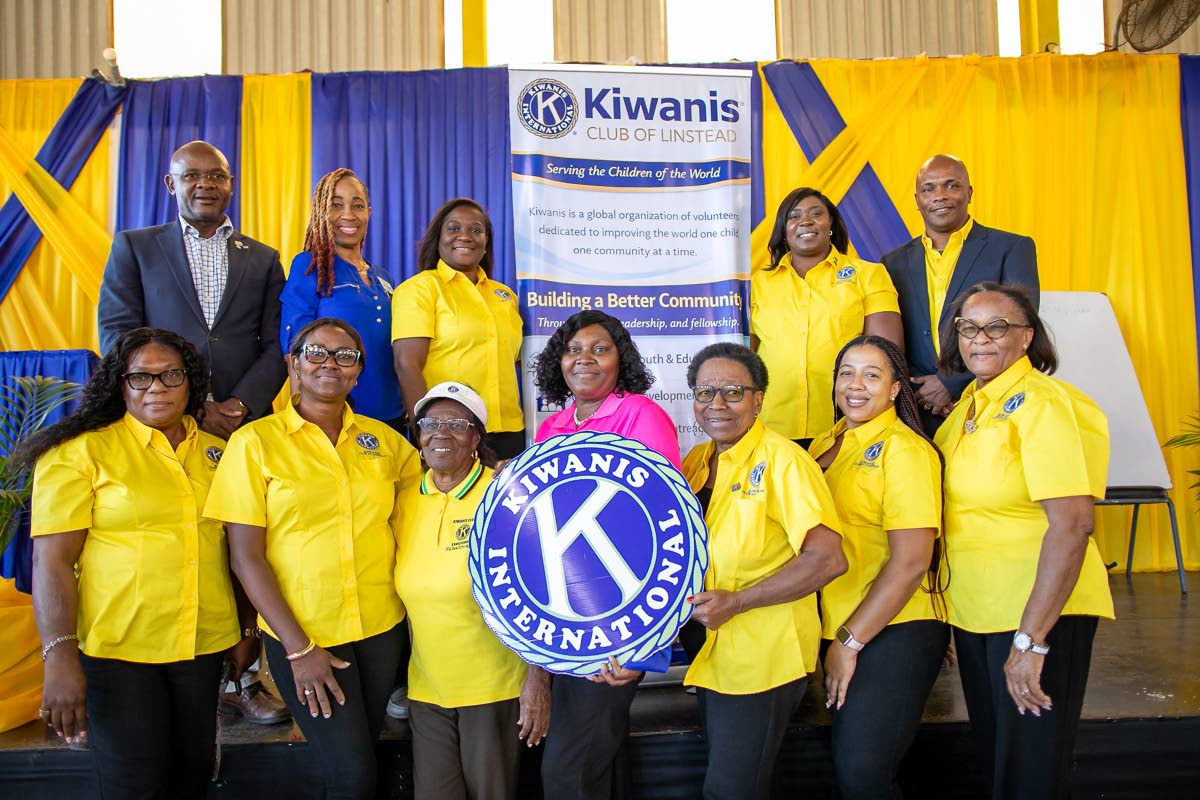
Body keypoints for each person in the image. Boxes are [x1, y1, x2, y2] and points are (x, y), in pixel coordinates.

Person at [22, 328, 251, 798]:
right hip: (121, 651)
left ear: (191, 382)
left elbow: (239, 553)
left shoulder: (219, 453)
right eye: (141, 378)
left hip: (201, 646)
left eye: (170, 375)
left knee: (191, 781)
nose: (157, 388)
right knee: (137, 788)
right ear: (120, 385)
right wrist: (59, 658)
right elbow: (52, 562)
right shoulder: (80, 453)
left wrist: (245, 630)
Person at [203, 318, 422, 799]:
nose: (330, 364)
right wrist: (300, 651)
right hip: (306, 638)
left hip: (381, 629)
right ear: (293, 365)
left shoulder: (384, 443)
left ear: (359, 372)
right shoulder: (254, 443)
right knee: (352, 776)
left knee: (362, 757)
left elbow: (434, 499)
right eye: (316, 353)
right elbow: (246, 559)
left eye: (345, 356)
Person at [933, 282, 1112, 799]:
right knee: (1000, 765)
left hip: (1037, 614)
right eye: (969, 327)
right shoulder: (970, 403)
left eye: (997, 327)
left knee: (1030, 774)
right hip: (979, 612)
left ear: (1027, 336)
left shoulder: (1045, 403)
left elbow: (1073, 524)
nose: (980, 339)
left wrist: (1032, 640)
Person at [681, 342, 847, 800]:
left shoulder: (784, 461)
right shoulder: (697, 461)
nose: (717, 404)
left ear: (759, 399)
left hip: (762, 656)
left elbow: (828, 558)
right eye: (705, 391)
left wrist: (738, 601)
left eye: (733, 391)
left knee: (731, 789)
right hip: (710, 650)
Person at [530, 309, 681, 799]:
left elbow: (665, 528)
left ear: (621, 360)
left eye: (600, 349)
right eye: (574, 350)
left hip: (620, 622)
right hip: (566, 616)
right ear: (559, 361)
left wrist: (641, 644)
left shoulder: (642, 415)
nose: (584, 359)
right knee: (602, 758)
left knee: (568, 772)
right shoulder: (550, 427)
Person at [807, 335, 948, 799]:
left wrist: (849, 642)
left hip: (890, 630)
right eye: (846, 372)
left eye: (872, 375)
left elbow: (911, 562)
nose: (856, 384)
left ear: (895, 389)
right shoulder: (829, 440)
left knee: (863, 773)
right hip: (839, 622)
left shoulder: (906, 451)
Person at [395, 382, 551, 800]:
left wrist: (538, 681)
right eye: (430, 422)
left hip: (495, 688)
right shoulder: (403, 498)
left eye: (456, 424)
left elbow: (544, 590)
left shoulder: (507, 495)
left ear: (475, 437)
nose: (440, 433)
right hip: (427, 687)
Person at [97, 140, 286, 441]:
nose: (205, 184)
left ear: (231, 184)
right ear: (171, 184)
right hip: (160, 418)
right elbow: (117, 334)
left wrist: (241, 404)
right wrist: (190, 405)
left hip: (244, 425)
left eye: (216, 176)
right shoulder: (135, 248)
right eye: (191, 175)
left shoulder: (264, 258)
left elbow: (279, 344)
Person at [882, 154, 1040, 435]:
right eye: (929, 188)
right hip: (918, 410)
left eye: (951, 186)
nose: (940, 195)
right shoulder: (892, 263)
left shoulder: (1011, 248)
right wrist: (921, 391)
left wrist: (949, 383)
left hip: (992, 404)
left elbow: (1017, 330)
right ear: (917, 199)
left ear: (969, 193)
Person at [751, 187, 902, 446]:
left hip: (847, 424)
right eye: (794, 216)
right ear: (784, 230)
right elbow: (747, 361)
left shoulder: (868, 275)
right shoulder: (757, 284)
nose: (805, 221)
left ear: (830, 223)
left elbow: (887, 354)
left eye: (816, 213)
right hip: (773, 428)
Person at [391, 198, 526, 458]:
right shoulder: (419, 290)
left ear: (487, 242)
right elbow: (406, 365)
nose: (465, 236)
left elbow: (521, 359)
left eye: (476, 230)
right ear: (438, 238)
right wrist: (425, 433)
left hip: (510, 432)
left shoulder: (505, 295)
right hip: (449, 433)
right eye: (453, 229)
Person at [279, 168, 403, 426]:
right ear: (321, 213)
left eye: (357, 205)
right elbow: (296, 353)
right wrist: (304, 426)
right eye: (336, 205)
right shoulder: (309, 267)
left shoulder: (385, 279)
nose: (348, 214)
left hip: (391, 416)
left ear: (369, 212)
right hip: (334, 418)